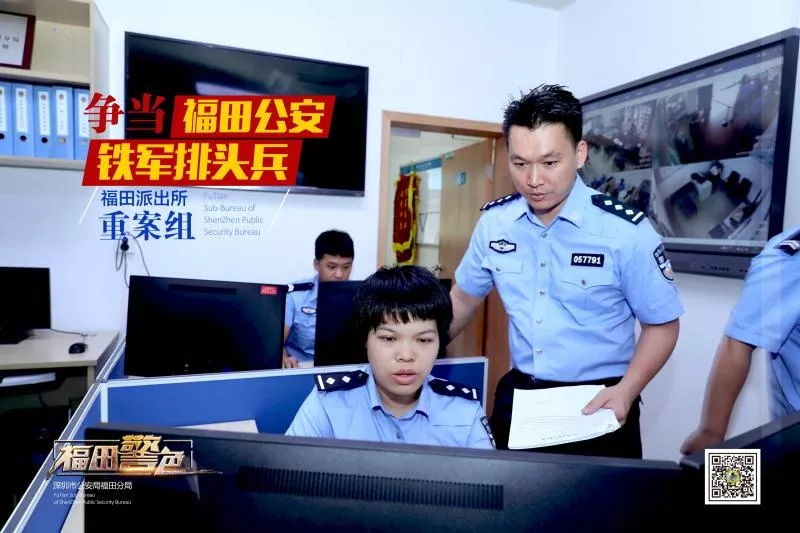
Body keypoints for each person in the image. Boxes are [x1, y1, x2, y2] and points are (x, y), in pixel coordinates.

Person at [448, 84, 684, 459]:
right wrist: (417, 347)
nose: (533, 179)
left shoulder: (625, 232)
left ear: (580, 154)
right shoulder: (496, 223)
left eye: (549, 163)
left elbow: (662, 325)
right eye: (520, 164)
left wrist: (627, 390)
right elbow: (463, 298)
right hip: (523, 399)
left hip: (601, 402)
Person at [285, 265, 495, 450]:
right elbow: (289, 475)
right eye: (389, 338)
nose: (406, 356)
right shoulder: (327, 404)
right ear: (365, 339)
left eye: (423, 340)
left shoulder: (465, 412)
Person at [681, 224, 800, 455]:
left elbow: (737, 343)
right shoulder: (789, 258)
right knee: (727, 475)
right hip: (793, 437)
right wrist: (711, 433)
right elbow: (737, 344)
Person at [283, 229, 355, 369]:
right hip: (302, 367)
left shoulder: (361, 295)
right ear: (316, 264)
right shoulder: (295, 295)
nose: (339, 274)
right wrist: (285, 359)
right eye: (332, 267)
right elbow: (277, 344)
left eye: (346, 267)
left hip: (344, 367)